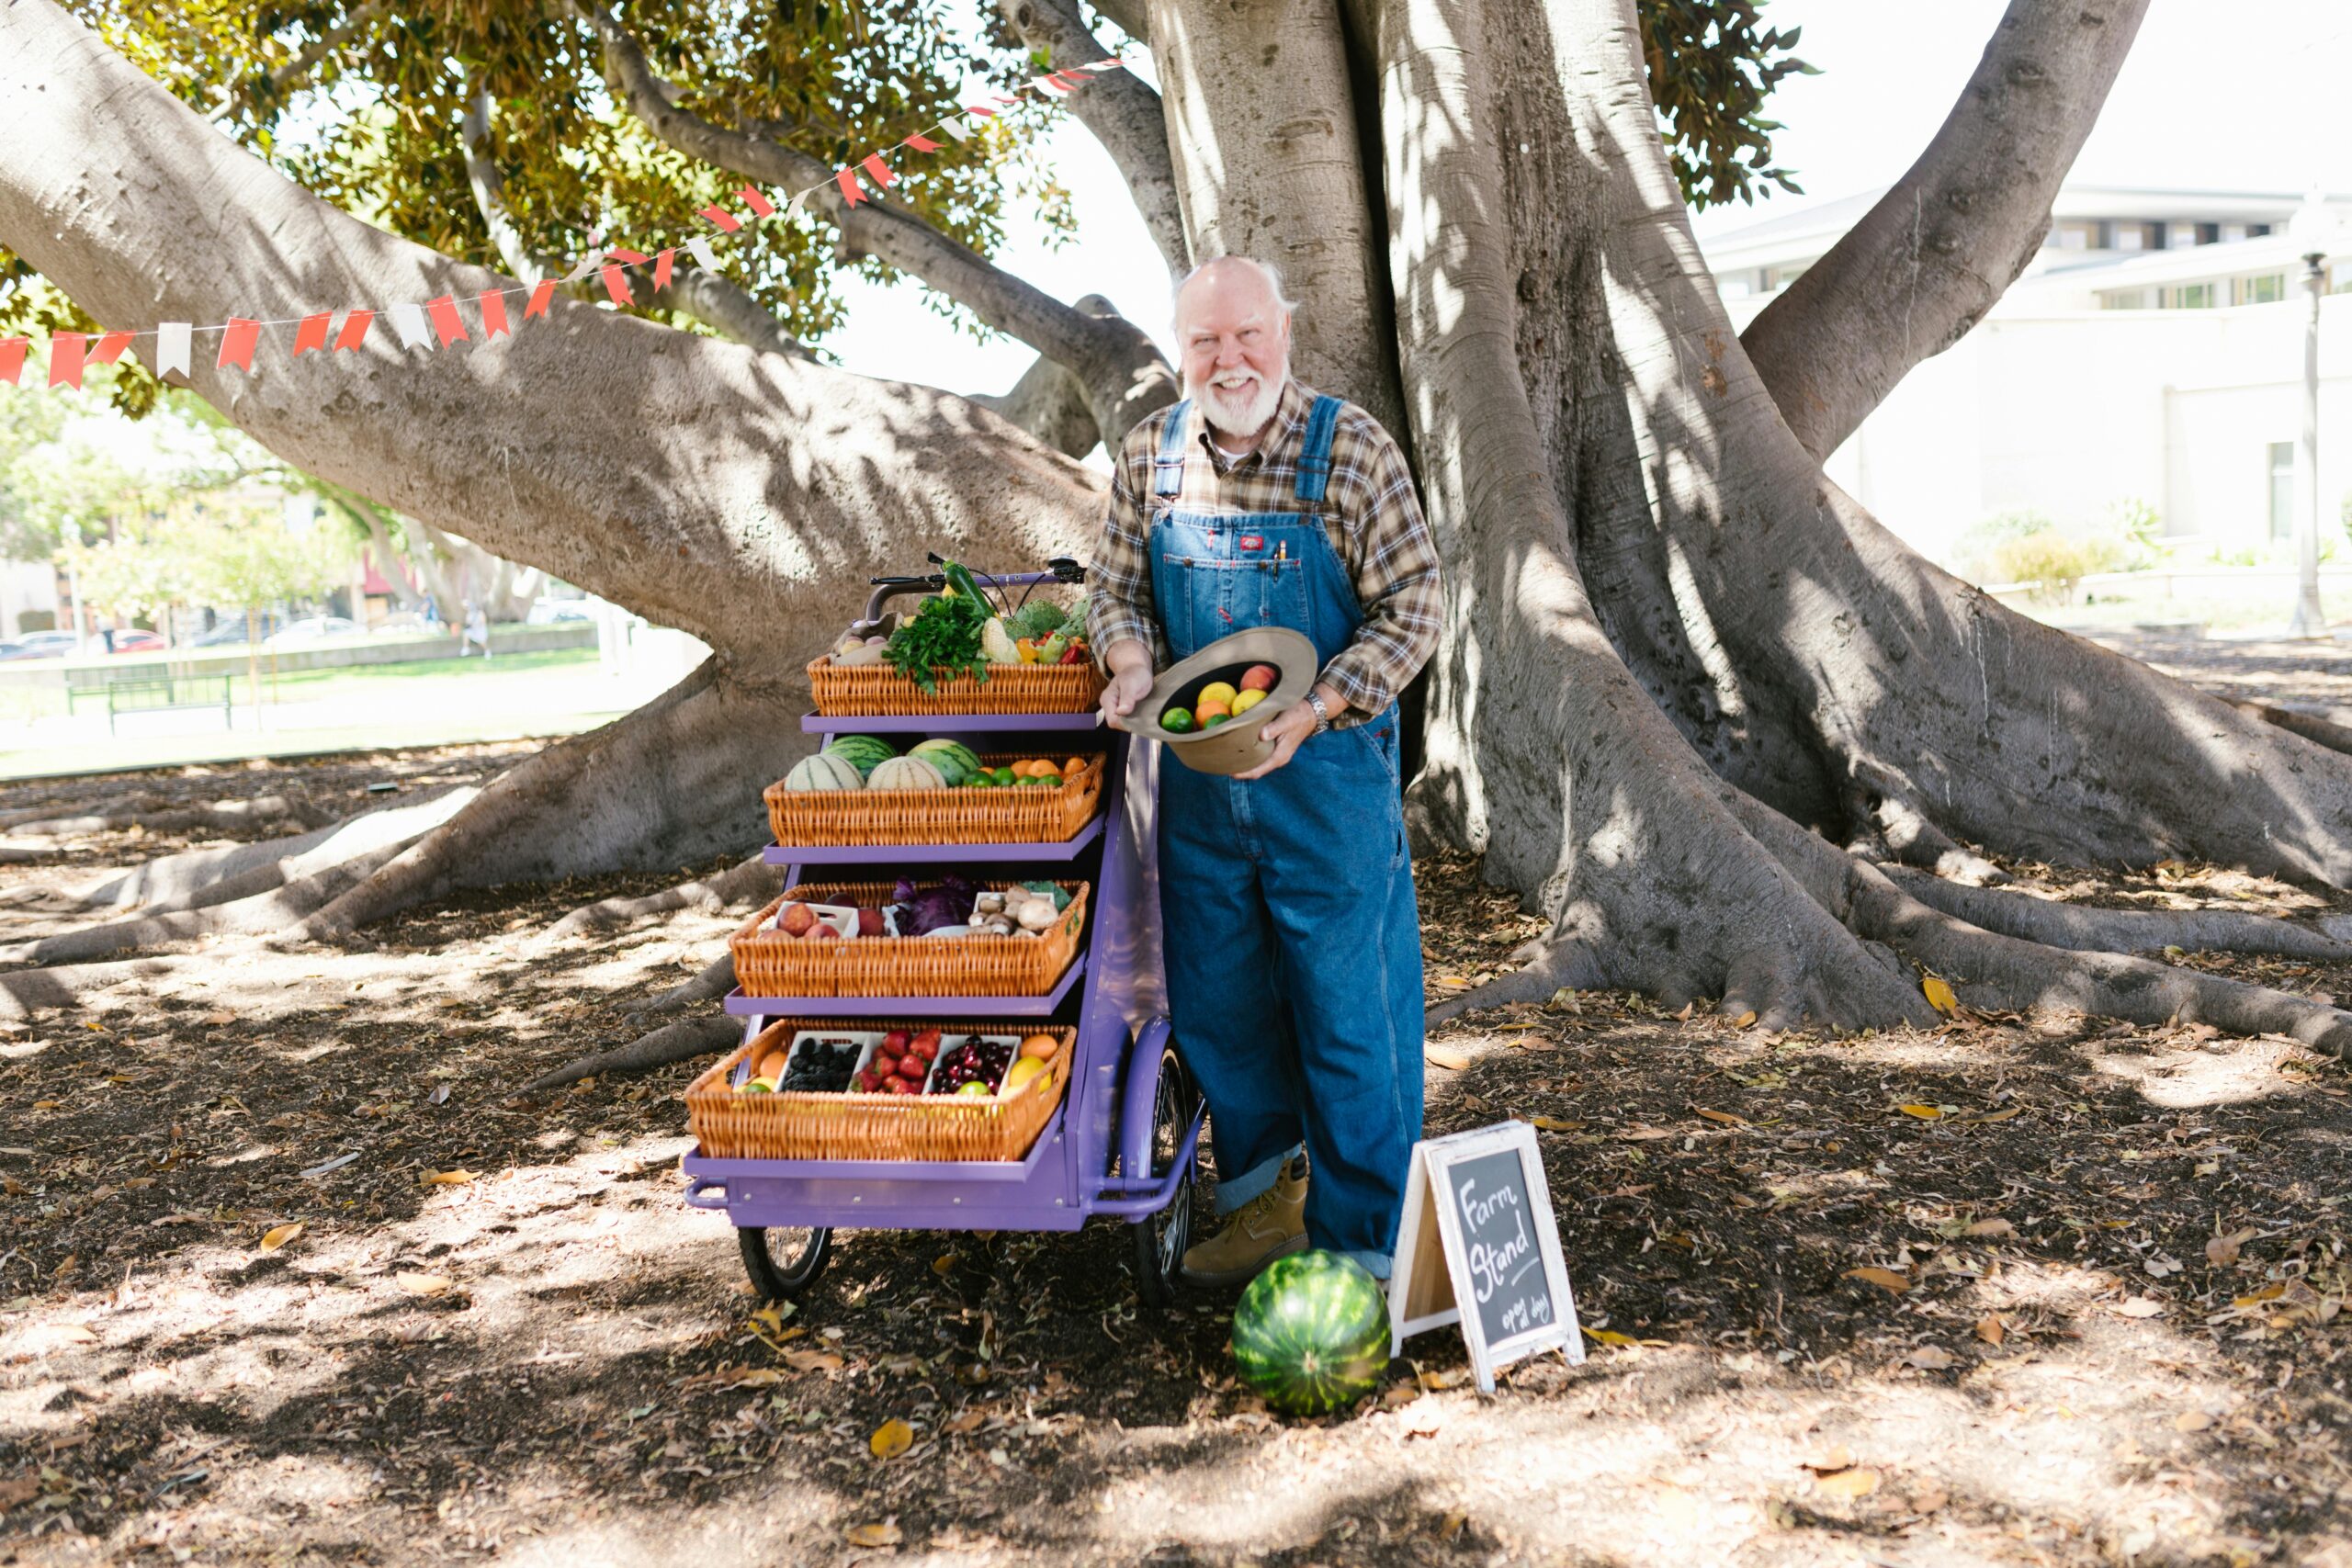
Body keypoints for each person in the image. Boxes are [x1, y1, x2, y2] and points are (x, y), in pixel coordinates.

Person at [1089, 255, 1443, 1287]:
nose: (1227, 358)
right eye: (1204, 341)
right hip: (1200, 792)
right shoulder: (1152, 455)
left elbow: (1414, 604)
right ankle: (1263, 1211)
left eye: (1246, 335)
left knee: (1347, 1017)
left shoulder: (1349, 451)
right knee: (1221, 1009)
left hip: (1322, 783)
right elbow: (1113, 590)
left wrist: (1323, 703)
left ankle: (1364, 1248)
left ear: (1283, 334)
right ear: (1180, 349)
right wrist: (1127, 661)